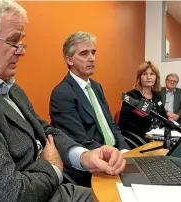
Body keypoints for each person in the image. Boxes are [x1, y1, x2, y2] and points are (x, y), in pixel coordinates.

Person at [0, 1, 126, 202]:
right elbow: (7, 194)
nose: (21, 51)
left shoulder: (7, 86)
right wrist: (52, 168)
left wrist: (84, 156)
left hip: (49, 189)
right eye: (13, 41)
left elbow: (43, 130)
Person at [49, 31, 129, 186]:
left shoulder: (96, 87)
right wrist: (113, 157)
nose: (92, 58)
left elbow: (111, 125)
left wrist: (124, 151)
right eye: (84, 54)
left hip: (115, 157)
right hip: (92, 168)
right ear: (69, 59)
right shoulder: (62, 93)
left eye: (93, 52)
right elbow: (79, 140)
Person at [119, 61, 167, 146]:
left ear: (156, 77)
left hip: (159, 137)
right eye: (144, 74)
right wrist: (147, 134)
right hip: (140, 138)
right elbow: (125, 123)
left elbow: (162, 115)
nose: (149, 77)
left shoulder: (158, 95)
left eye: (152, 74)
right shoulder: (131, 96)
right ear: (139, 77)